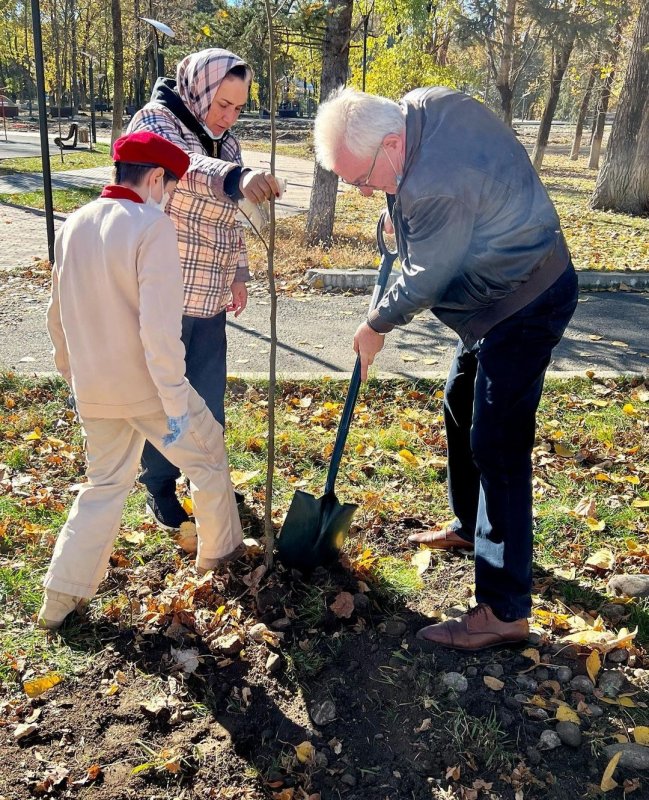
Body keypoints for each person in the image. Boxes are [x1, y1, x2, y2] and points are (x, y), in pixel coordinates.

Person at [313, 86, 578, 651]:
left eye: (362, 180)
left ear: (388, 144)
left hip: (525, 297)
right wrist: (395, 220)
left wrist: (376, 323)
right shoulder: (419, 110)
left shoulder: (437, 184)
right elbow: (414, 200)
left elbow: (429, 273)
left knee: (498, 445)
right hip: (493, 300)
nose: (362, 192)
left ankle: (504, 610)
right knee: (460, 404)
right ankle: (469, 523)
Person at [39, 131, 243, 630]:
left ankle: (60, 597)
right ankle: (221, 564)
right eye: (169, 187)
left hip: (94, 387)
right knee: (209, 457)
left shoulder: (74, 224)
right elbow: (159, 330)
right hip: (150, 388)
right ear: (156, 178)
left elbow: (56, 316)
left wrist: (73, 375)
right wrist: (175, 402)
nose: (168, 196)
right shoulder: (153, 226)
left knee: (103, 486)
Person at [128, 48, 282, 531]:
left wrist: (239, 273)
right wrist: (235, 178)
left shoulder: (228, 143)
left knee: (207, 395)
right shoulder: (155, 122)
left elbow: (231, 218)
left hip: (209, 294)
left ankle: (206, 476)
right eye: (222, 105)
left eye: (238, 108)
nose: (228, 117)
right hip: (163, 293)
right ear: (198, 89)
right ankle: (159, 484)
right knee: (164, 395)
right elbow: (182, 169)